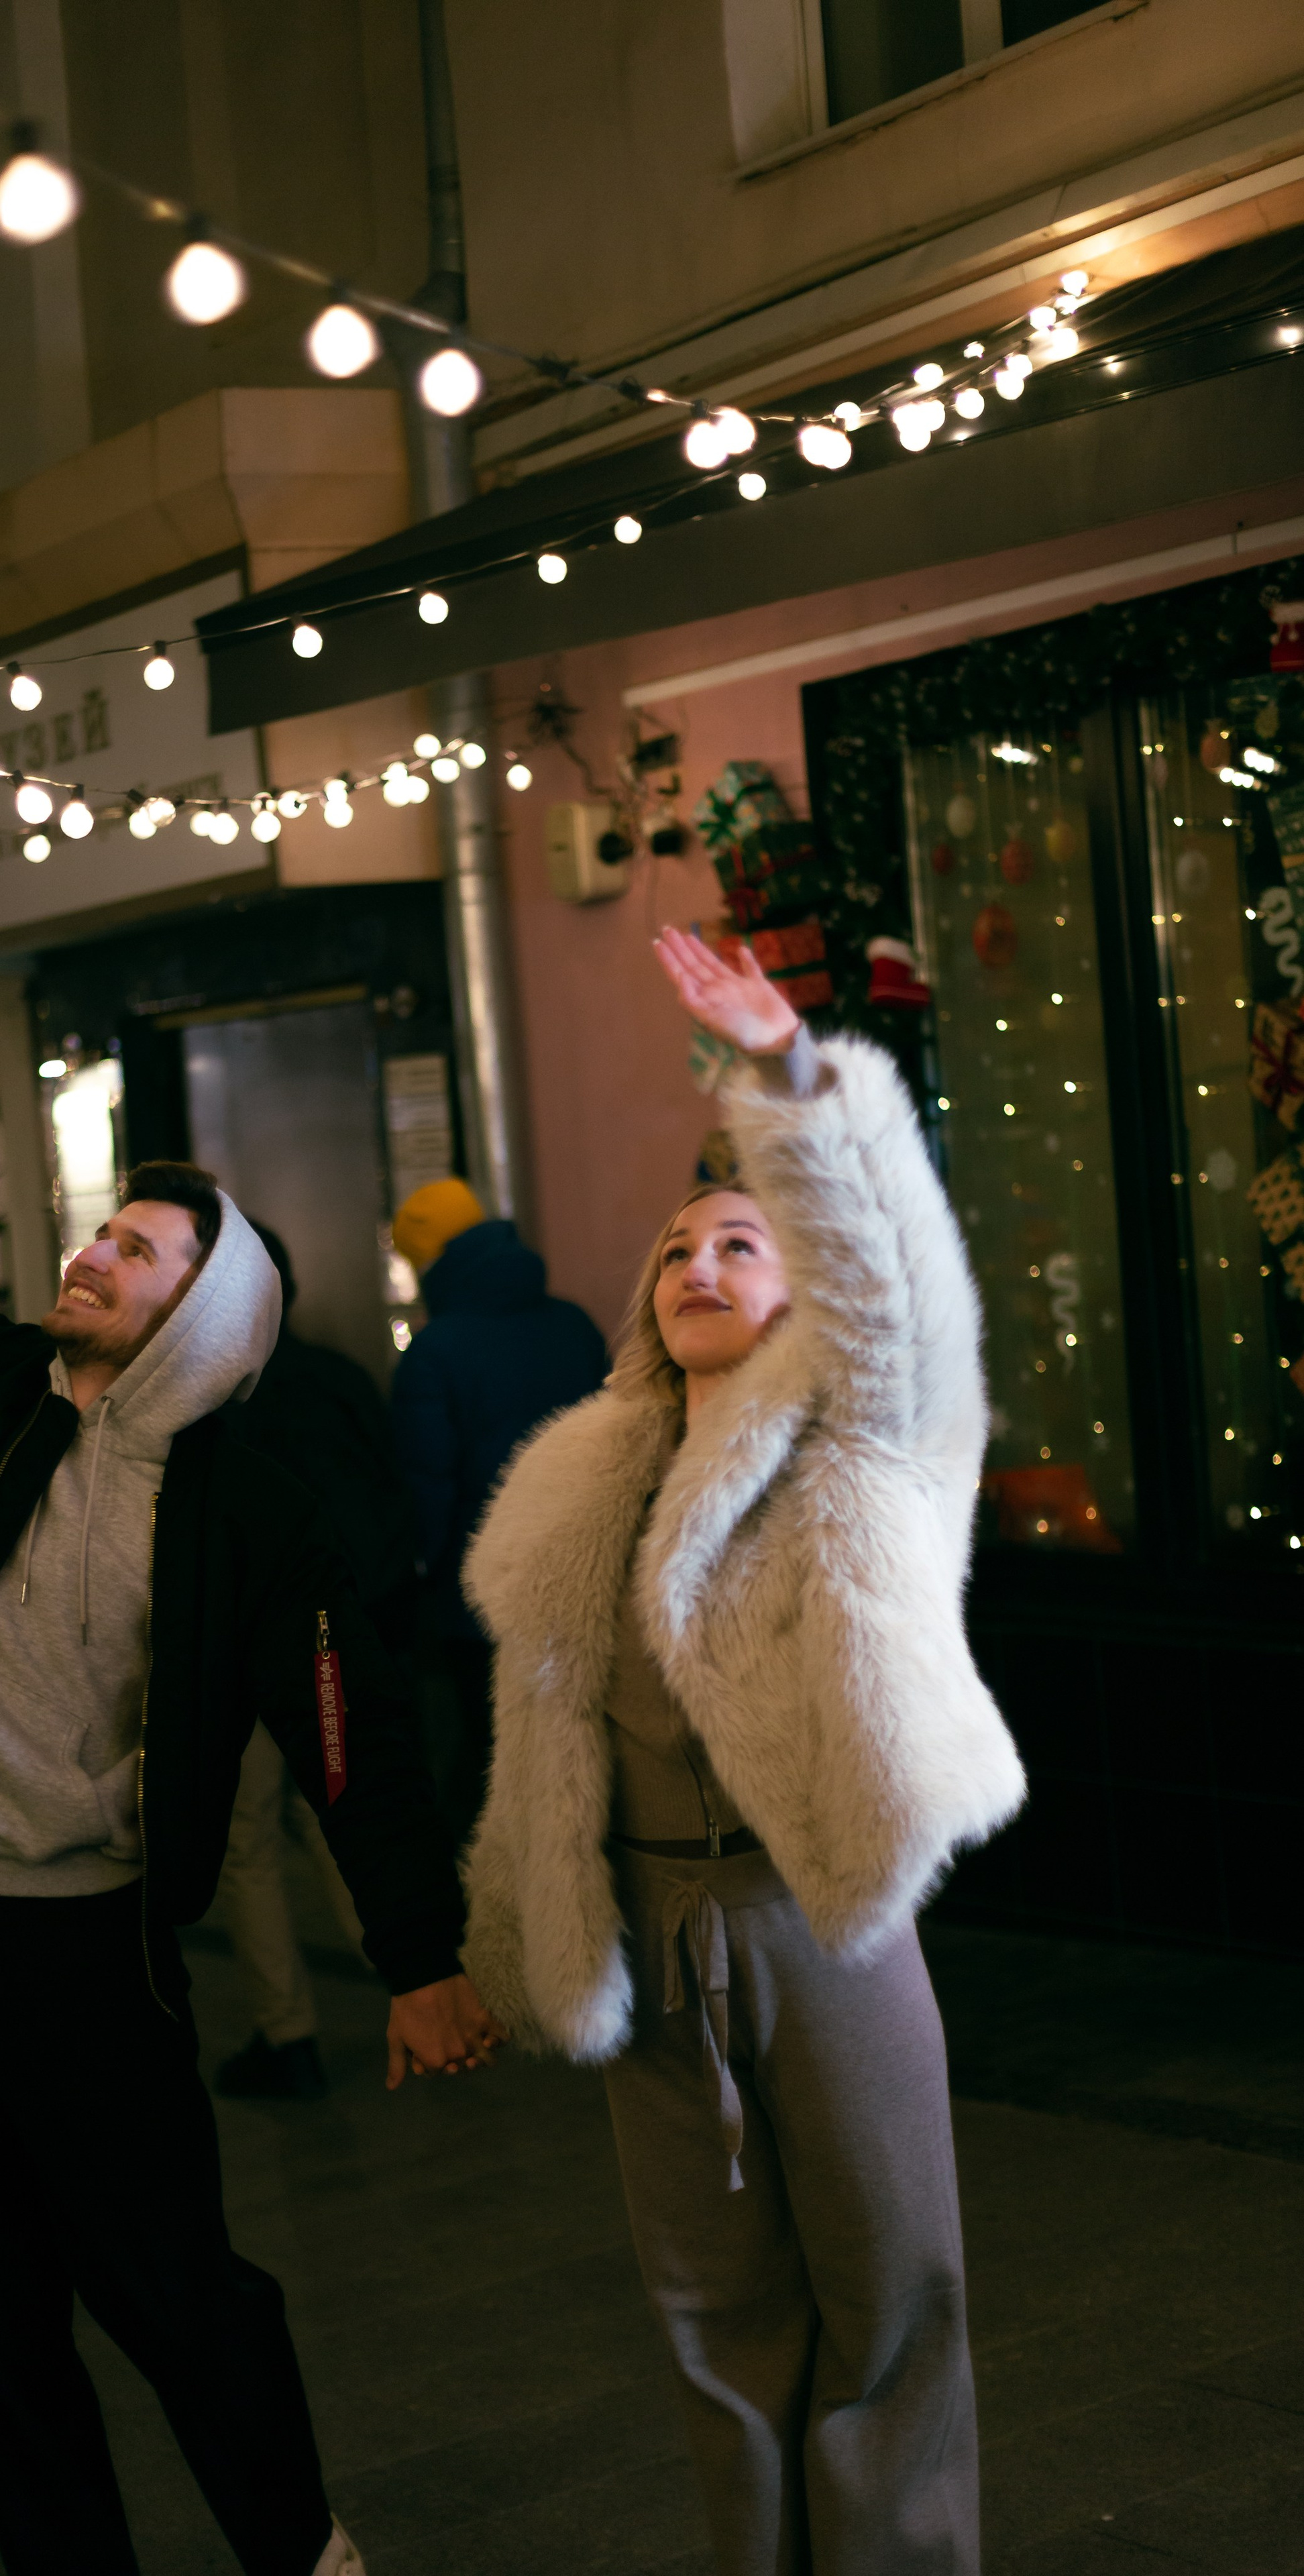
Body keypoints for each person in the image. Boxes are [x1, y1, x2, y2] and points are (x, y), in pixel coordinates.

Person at [0, 796, 502, 2576]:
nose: (93, 1251)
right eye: (101, 1232)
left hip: (86, 1958)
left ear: (213, 1313)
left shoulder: (248, 1499)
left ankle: (297, 2547)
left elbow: (346, 1722)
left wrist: (417, 1951)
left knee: (178, 2294)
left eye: (141, 1250)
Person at [460, 924, 1026, 2575]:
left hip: (817, 1917)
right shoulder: (585, 1477)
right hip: (645, 1940)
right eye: (674, 1252)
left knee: (891, 2297)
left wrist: (784, 1078)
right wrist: (517, 1935)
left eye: (739, 1244)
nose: (700, 1266)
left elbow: (892, 1269)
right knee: (712, 2316)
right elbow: (538, 1744)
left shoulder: (874, 1432)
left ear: (795, 1287)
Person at [215, 1222, 418, 2102]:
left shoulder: (218, 1401)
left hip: (251, 1661)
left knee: (250, 1844)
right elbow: (393, 1494)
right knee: (342, 1820)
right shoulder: (339, 1378)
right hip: (340, 1652)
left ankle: (288, 2034)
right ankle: (421, 1985)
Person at [388, 1177, 606, 1840]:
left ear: (430, 1260)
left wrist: (418, 1576)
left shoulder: (436, 1350)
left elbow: (429, 1486)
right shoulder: (573, 1323)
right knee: (576, 1748)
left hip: (480, 1596)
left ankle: (487, 1917)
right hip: (584, 1574)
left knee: (489, 1759)